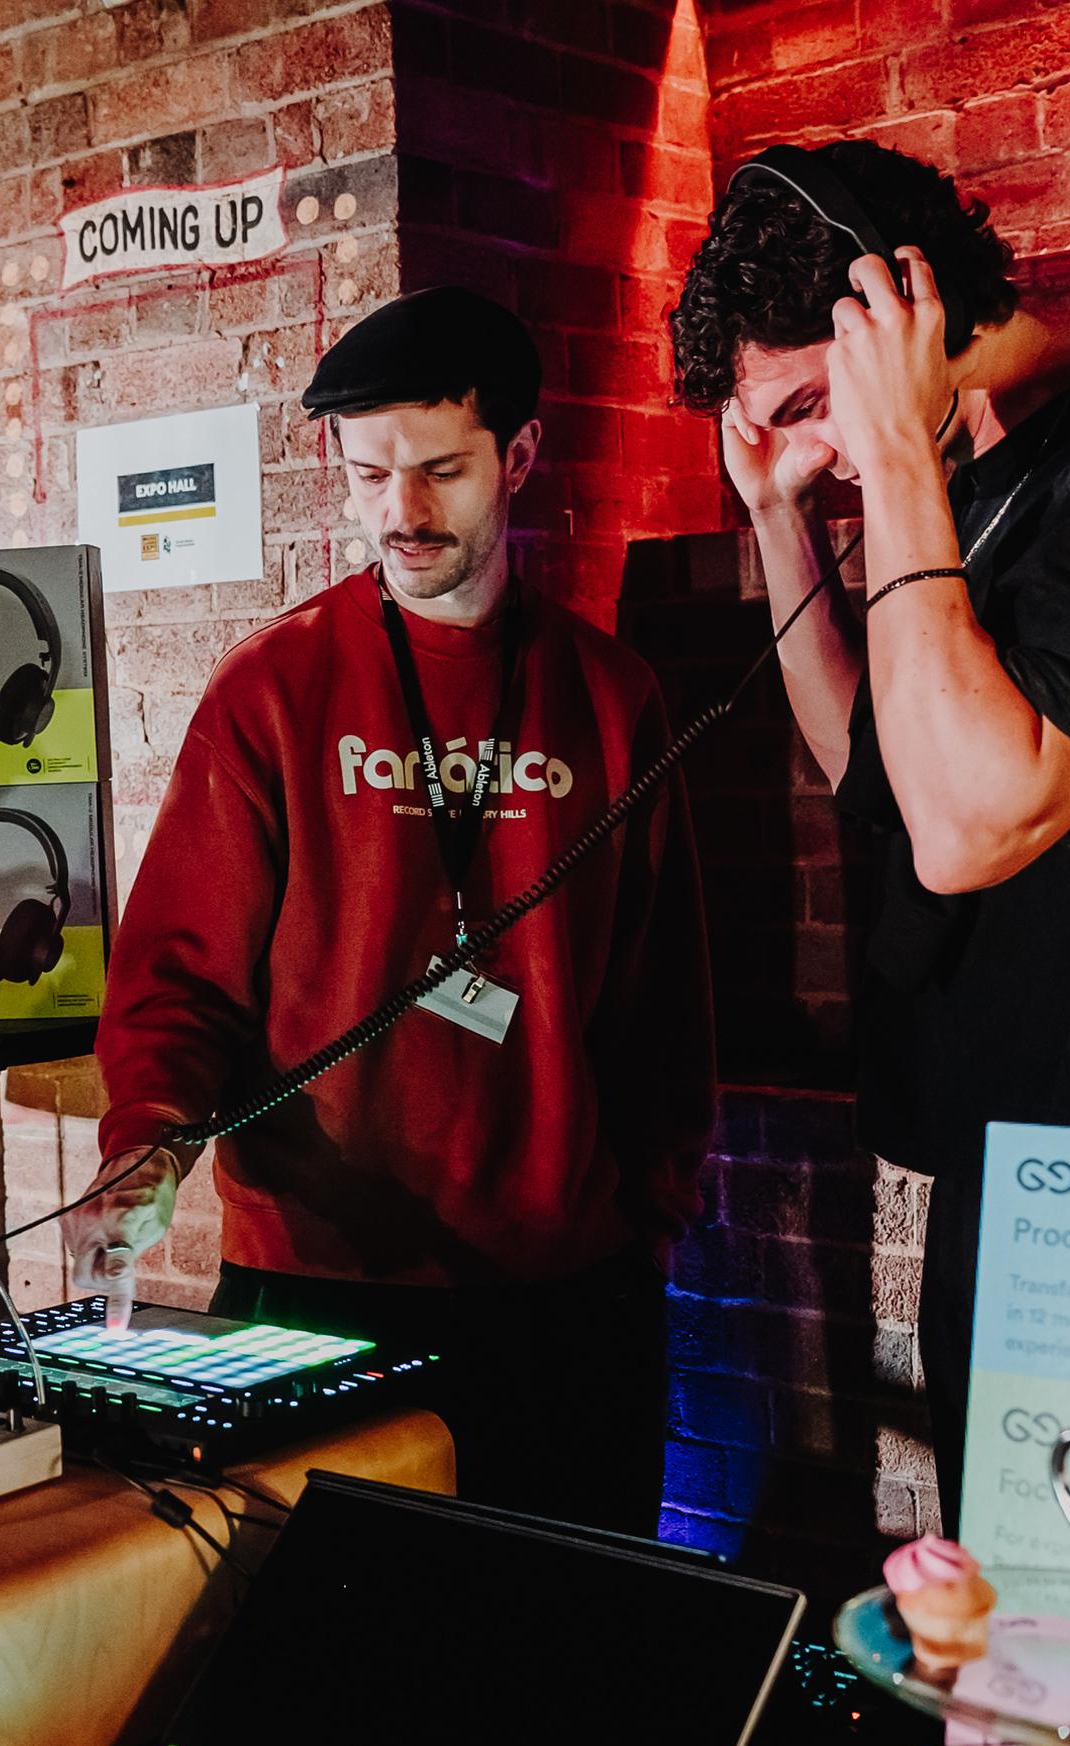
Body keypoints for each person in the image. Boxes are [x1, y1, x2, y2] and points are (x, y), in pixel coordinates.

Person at [63, 287, 715, 1536]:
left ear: (519, 455)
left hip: (565, 1295)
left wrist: (649, 1226)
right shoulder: (272, 690)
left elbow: (662, 1004)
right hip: (312, 1283)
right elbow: (179, 975)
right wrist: (147, 1141)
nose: (400, 513)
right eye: (368, 475)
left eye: (440, 471)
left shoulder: (615, 697)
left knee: (572, 1658)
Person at [670, 140, 1070, 1516]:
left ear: (901, 307)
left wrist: (894, 472)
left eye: (813, 402)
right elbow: (875, 768)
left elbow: (973, 826)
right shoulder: (966, 489)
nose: (812, 451)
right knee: (1016, 1645)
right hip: (1017, 1172)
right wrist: (778, 525)